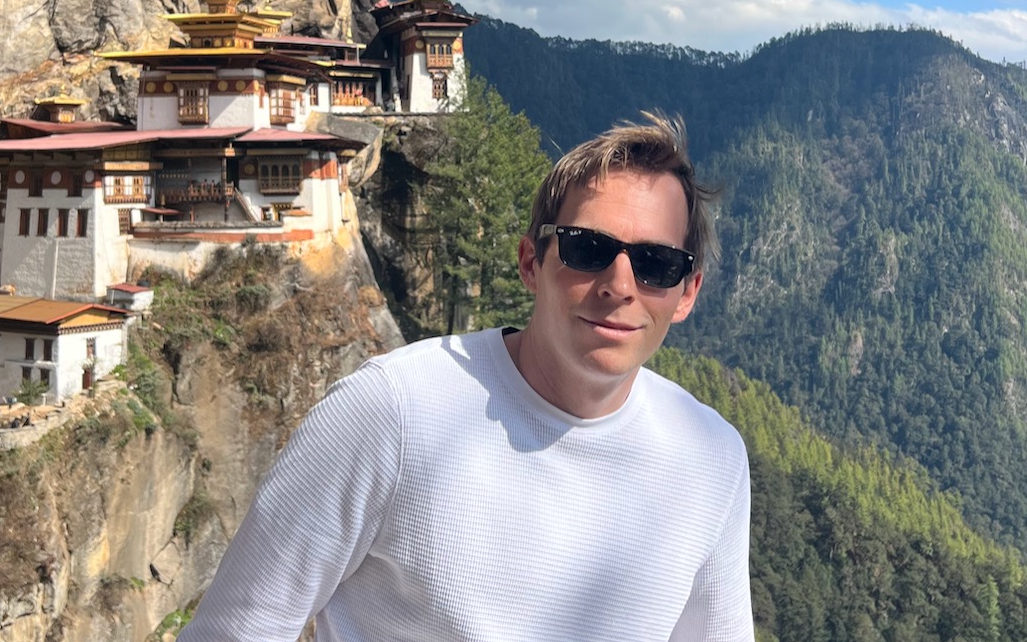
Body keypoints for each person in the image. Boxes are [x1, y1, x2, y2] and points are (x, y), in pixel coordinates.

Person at [180, 114, 752, 641]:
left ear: (687, 294)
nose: (620, 285)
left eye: (656, 264)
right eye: (588, 248)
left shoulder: (711, 459)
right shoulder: (390, 411)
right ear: (532, 262)